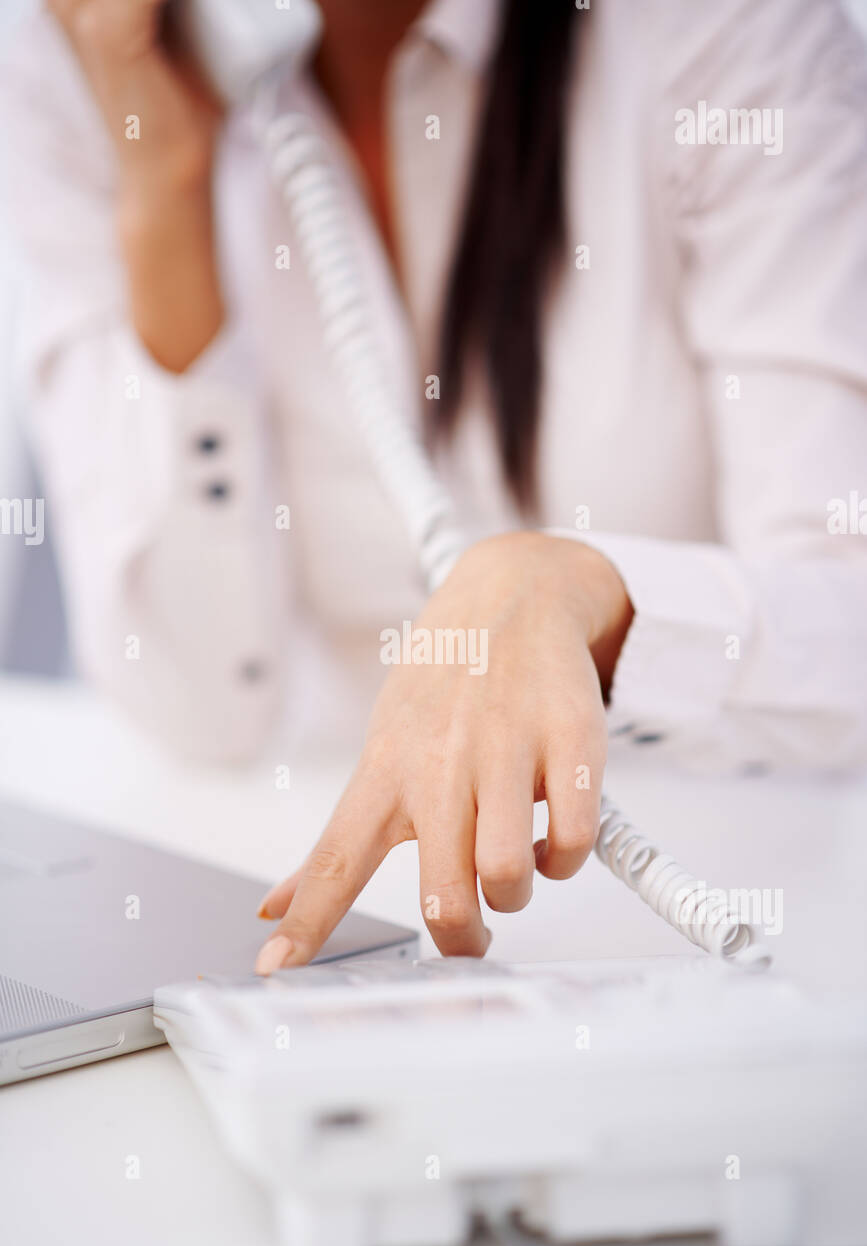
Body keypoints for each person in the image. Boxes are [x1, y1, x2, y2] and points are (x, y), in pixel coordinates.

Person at [3, 0, 867, 973]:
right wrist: (164, 183)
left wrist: (595, 595)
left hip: (710, 901)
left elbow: (847, 638)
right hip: (322, 902)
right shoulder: (82, 62)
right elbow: (196, 709)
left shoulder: (728, 31)